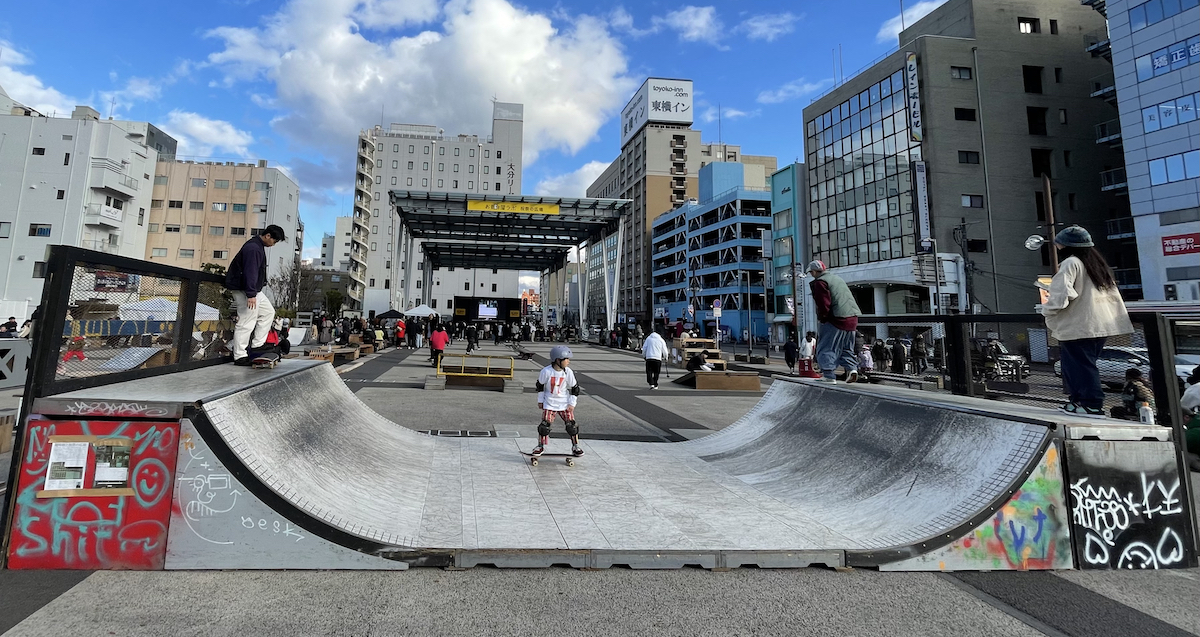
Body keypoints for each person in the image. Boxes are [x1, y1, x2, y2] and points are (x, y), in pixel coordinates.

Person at [1040, 225, 1133, 417]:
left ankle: (1091, 404)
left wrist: (1047, 310)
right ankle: (1078, 402)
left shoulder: (1071, 263)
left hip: (1080, 325)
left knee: (1078, 366)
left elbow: (1061, 294)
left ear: (1066, 246)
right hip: (1102, 325)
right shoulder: (1097, 264)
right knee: (1082, 364)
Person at [226, 224, 286, 365]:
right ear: (268, 236)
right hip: (244, 289)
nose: (274, 244)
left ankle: (257, 344)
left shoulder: (257, 246)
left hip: (252, 289)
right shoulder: (253, 248)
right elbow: (250, 271)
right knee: (247, 320)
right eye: (274, 241)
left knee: (268, 312)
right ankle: (239, 356)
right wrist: (251, 294)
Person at [807, 260, 861, 383]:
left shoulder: (820, 282)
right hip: (852, 318)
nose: (811, 274)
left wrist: (823, 318)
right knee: (846, 347)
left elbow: (823, 303)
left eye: (811, 272)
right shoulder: (837, 279)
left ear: (815, 271)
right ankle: (852, 369)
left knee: (826, 347)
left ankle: (828, 375)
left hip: (836, 319)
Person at [534, 345, 582, 457]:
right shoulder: (546, 371)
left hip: (564, 403)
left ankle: (575, 446)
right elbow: (540, 386)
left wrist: (572, 403)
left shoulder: (568, 372)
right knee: (544, 427)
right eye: (566, 359)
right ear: (558, 360)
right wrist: (540, 400)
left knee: (572, 426)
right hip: (549, 403)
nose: (569, 361)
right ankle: (540, 446)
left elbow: (575, 388)